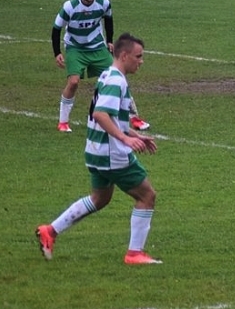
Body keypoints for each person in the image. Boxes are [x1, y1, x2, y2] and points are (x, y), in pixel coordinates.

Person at [36, 33, 162, 265]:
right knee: (147, 196)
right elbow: (101, 114)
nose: (141, 61)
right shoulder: (116, 80)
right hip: (111, 153)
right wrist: (125, 141)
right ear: (124, 55)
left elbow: (113, 117)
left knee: (99, 198)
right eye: (138, 56)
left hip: (95, 150)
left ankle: (50, 231)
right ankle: (135, 253)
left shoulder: (108, 75)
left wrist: (135, 134)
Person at [52, 0, 150, 132]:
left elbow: (108, 19)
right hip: (75, 48)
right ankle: (63, 122)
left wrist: (109, 40)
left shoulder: (103, 2)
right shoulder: (70, 6)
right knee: (73, 82)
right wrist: (57, 52)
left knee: (118, 79)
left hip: (97, 47)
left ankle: (135, 119)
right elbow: (56, 29)